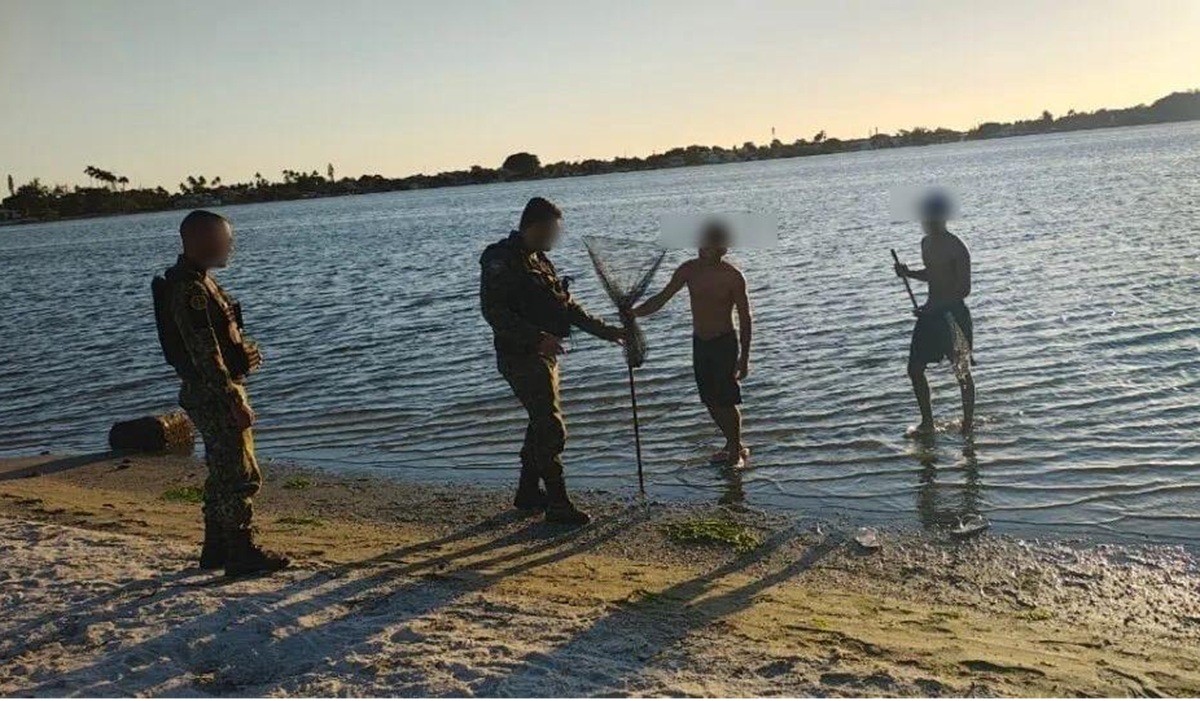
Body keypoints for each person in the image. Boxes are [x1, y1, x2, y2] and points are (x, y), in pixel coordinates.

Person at [153, 210, 289, 575]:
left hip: (210, 390)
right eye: (224, 239)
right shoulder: (190, 290)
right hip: (214, 393)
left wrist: (244, 353)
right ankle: (241, 552)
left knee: (221, 470)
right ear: (200, 241)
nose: (230, 245)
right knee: (239, 474)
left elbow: (219, 342)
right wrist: (232, 399)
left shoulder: (198, 282)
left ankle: (216, 548)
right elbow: (205, 353)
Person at [479, 197, 625, 525]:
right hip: (520, 355)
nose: (556, 238)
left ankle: (528, 493)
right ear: (535, 226)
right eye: (552, 231)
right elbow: (494, 311)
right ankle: (558, 503)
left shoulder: (541, 260)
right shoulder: (500, 259)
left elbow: (566, 307)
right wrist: (536, 338)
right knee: (550, 426)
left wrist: (608, 332)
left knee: (539, 423)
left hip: (544, 356)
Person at [633, 221, 752, 468]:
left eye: (709, 244)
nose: (702, 247)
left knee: (726, 400)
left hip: (724, 342)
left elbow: (745, 317)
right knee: (709, 400)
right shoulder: (688, 270)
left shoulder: (732, 276)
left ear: (721, 247)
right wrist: (634, 313)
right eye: (701, 242)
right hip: (700, 342)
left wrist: (744, 358)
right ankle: (734, 444)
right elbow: (661, 298)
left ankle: (735, 452)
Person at [894, 192, 975, 435]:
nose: (925, 221)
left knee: (961, 371)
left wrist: (938, 306)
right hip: (930, 316)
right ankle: (927, 423)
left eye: (930, 216)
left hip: (953, 316)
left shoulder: (957, 248)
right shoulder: (926, 243)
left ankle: (967, 425)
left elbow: (964, 289)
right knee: (914, 369)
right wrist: (909, 273)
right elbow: (933, 275)